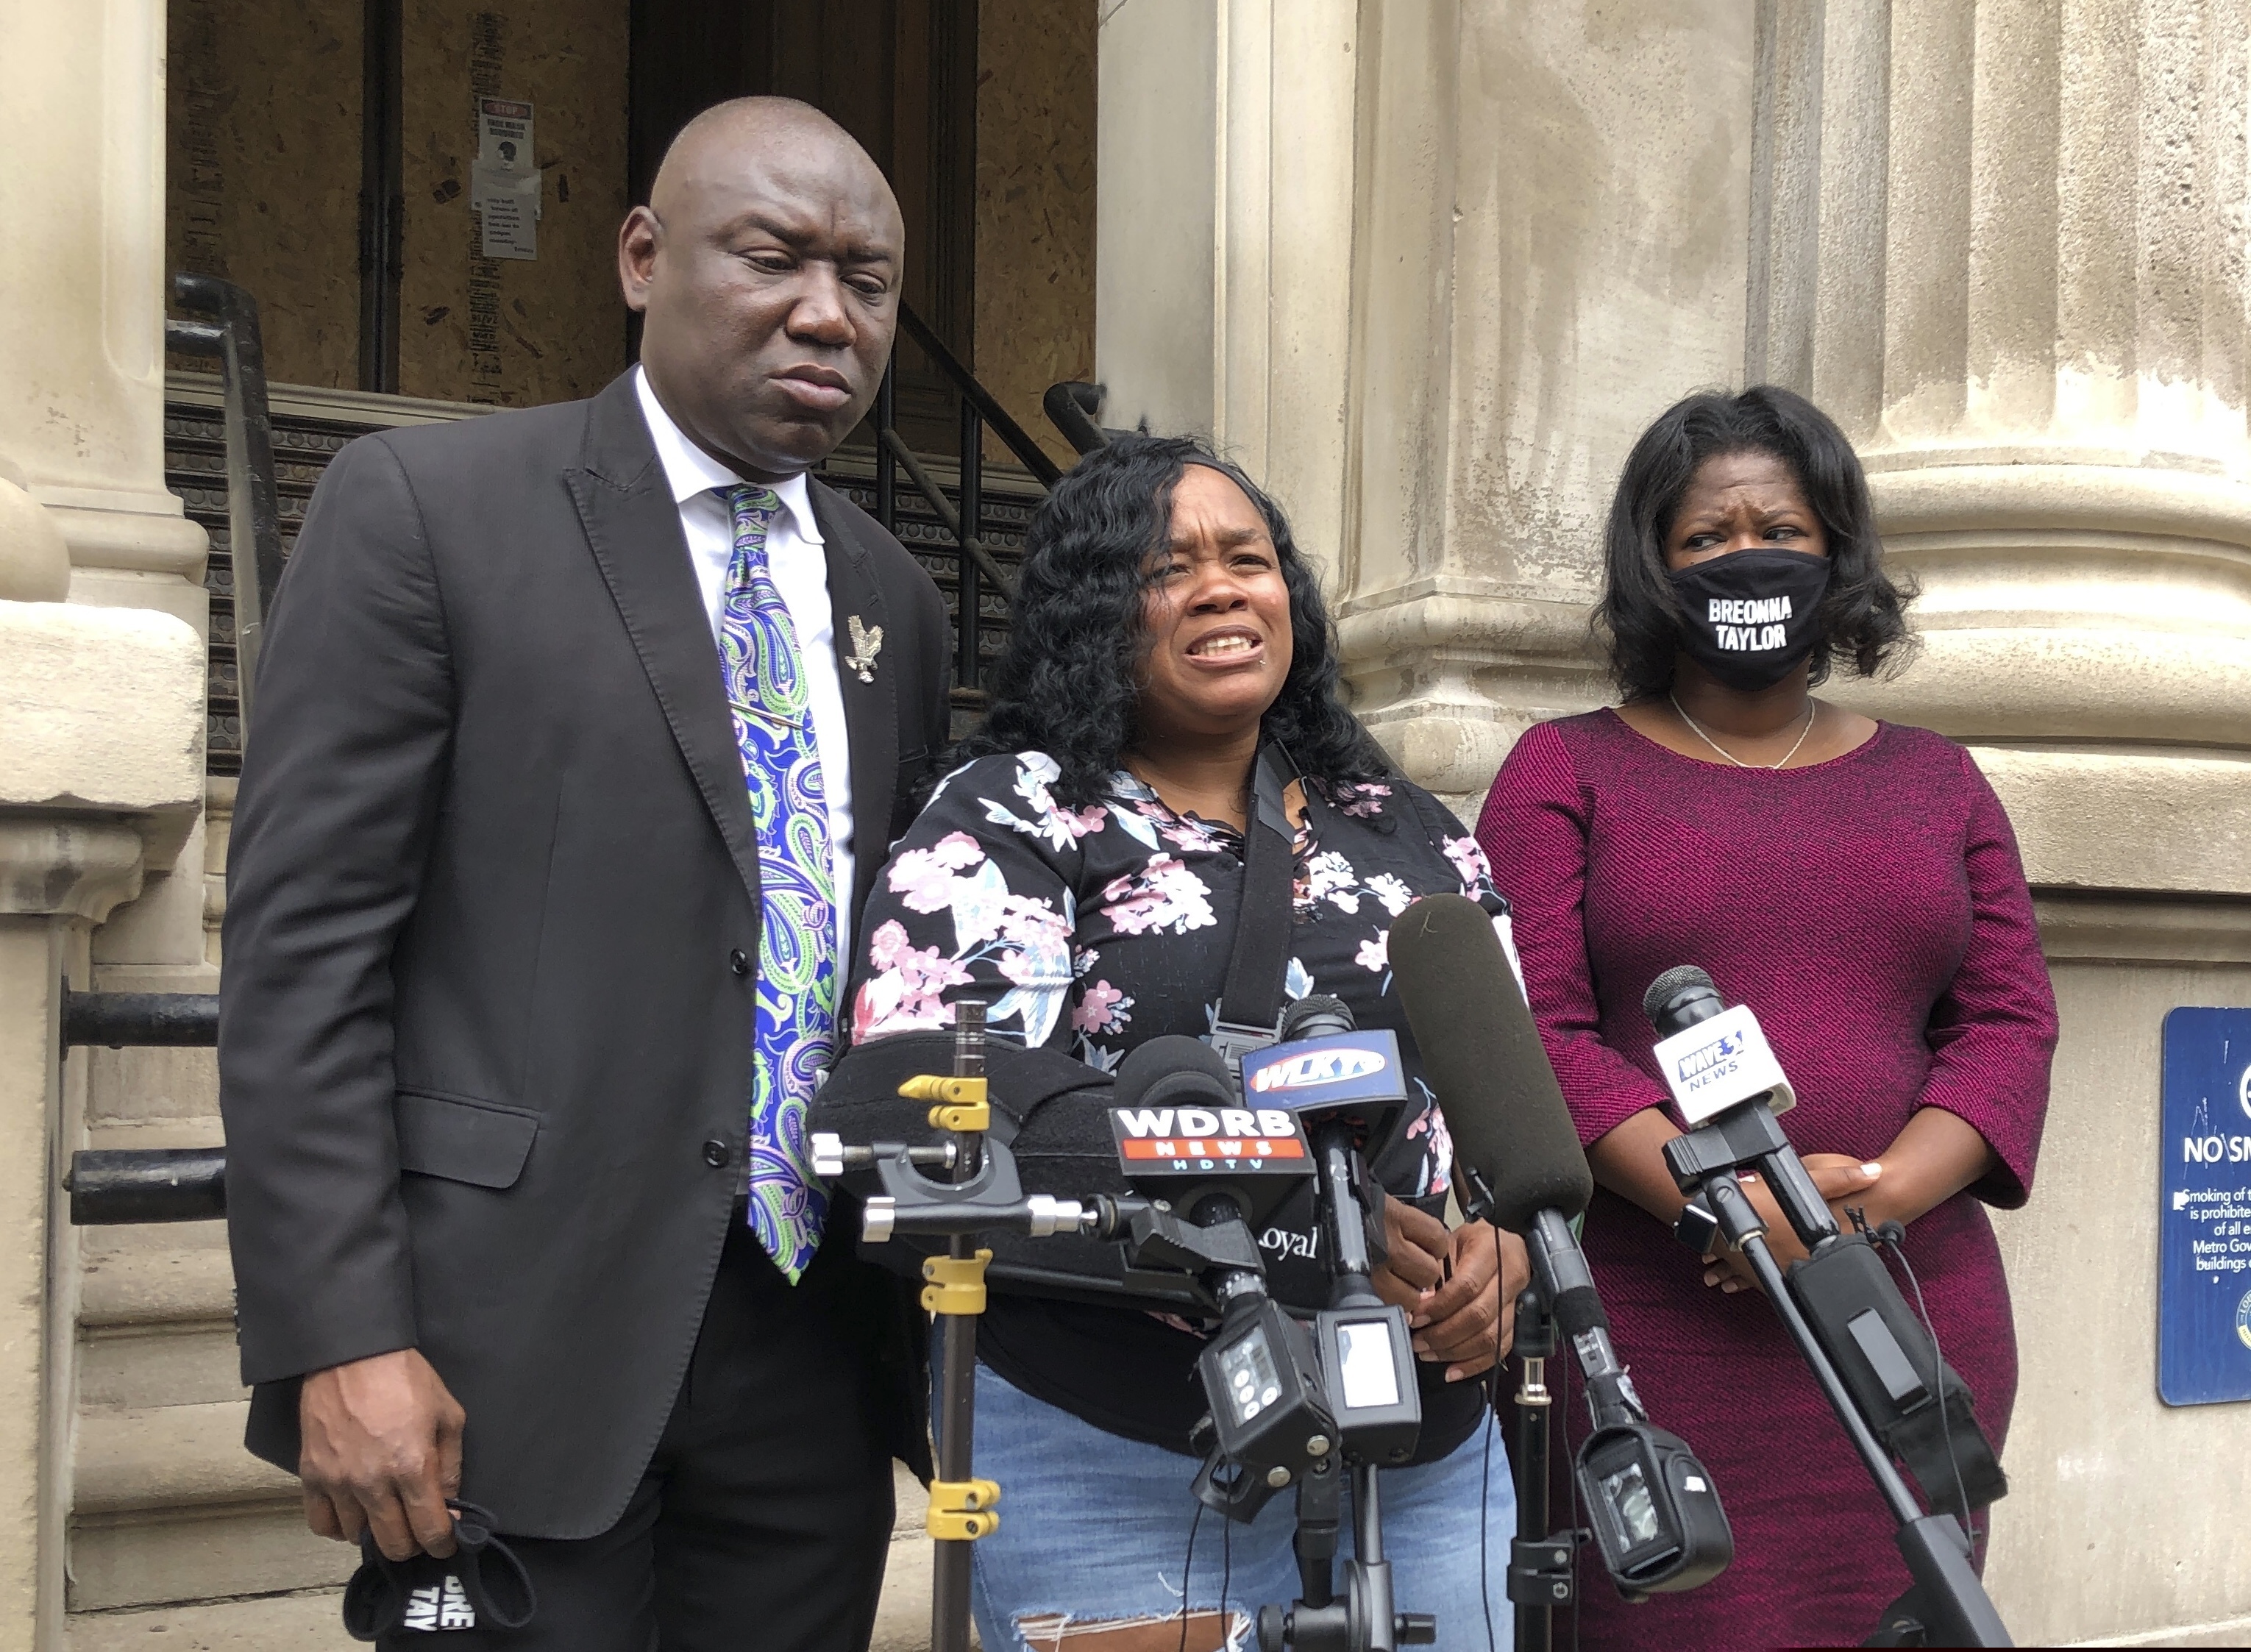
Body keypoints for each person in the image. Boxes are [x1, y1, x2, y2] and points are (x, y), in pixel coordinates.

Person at [218, 98, 950, 1649]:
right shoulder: (429, 513)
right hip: (508, 1353)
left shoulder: (894, 593)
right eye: (774, 258)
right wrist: (341, 1334)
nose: (827, 312)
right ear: (641, 256)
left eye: (869, 281)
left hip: (810, 1358)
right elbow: (303, 963)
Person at [835, 434, 1529, 1652]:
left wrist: (1498, 1251)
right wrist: (1296, 1218)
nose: (1221, 587)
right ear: (1092, 612)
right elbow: (940, 1094)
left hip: (1413, 1443)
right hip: (1115, 1440)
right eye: (1165, 568)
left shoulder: (1401, 823)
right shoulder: (1017, 813)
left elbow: (1494, 1093)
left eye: (1247, 559)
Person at [1474, 386, 2058, 1648]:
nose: (1749, 553)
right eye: (1707, 535)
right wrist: (1731, 1212)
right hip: (1660, 1324)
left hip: (1906, 1314)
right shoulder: (1560, 770)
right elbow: (1540, 1036)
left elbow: (2009, 1023)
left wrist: (1872, 1205)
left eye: (1781, 526)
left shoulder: (1940, 780)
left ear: (1837, 555)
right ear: (1655, 566)